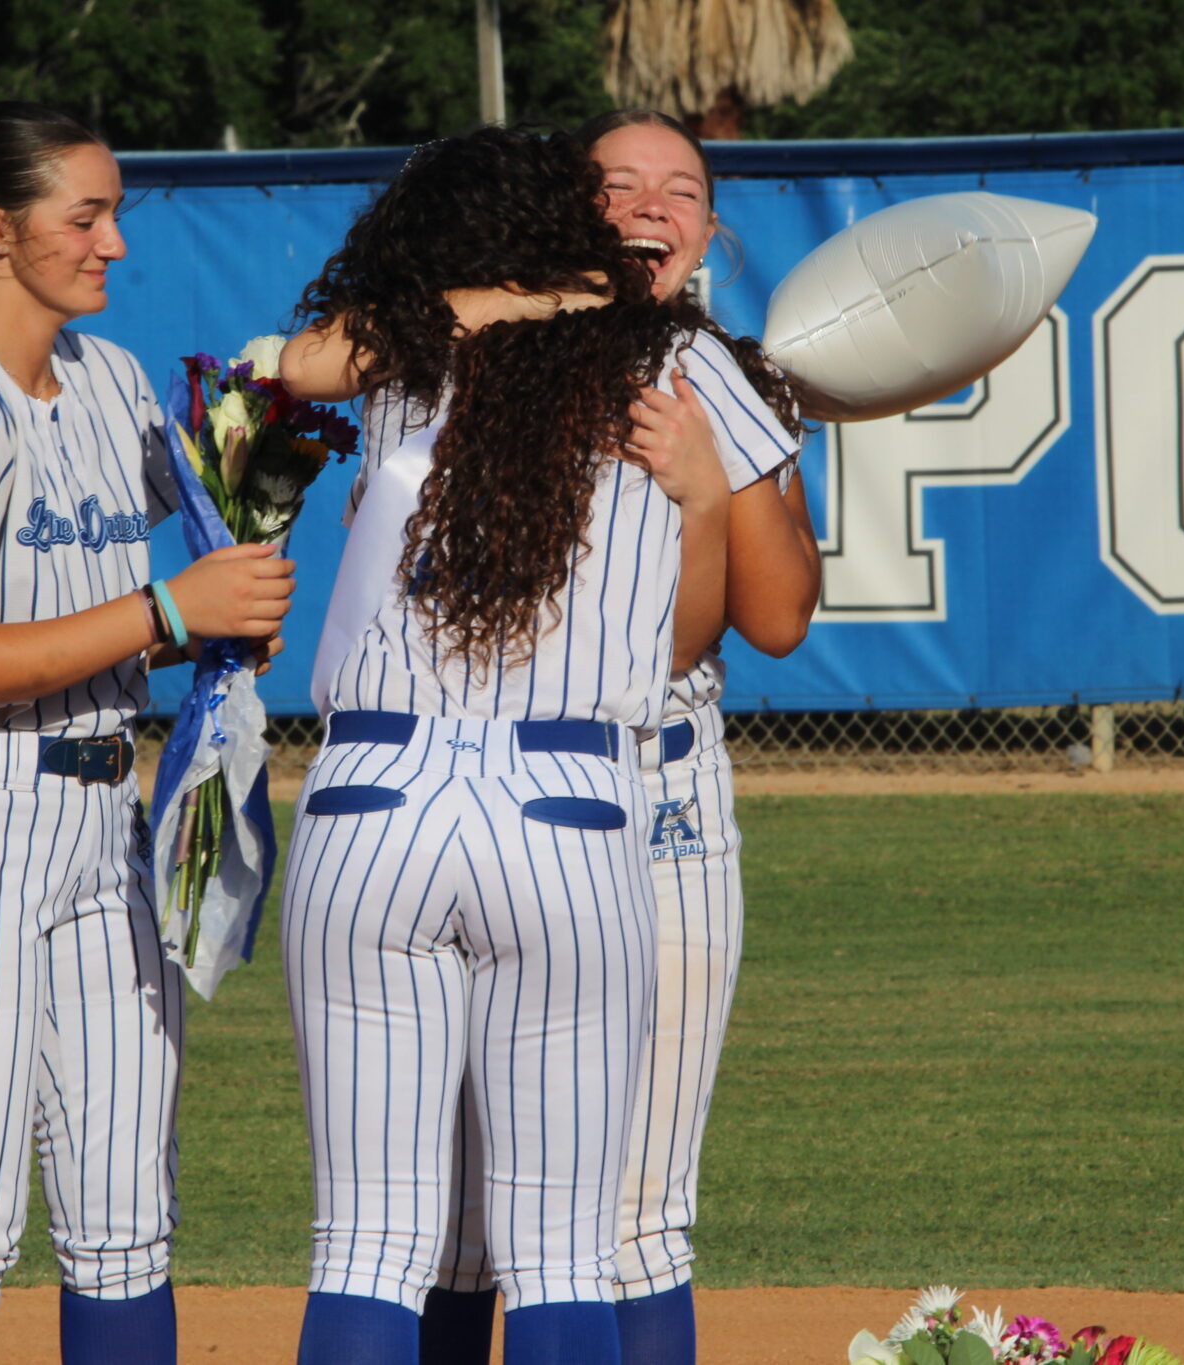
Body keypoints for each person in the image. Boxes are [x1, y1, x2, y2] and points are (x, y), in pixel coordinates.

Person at [0, 101, 295, 1365]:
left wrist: (229, 595)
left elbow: (228, 469)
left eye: (116, 211)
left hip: (102, 821)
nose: (115, 243)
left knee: (126, 1225)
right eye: (84, 216)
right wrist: (166, 610)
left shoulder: (111, 381)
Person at [277, 125, 726, 1365]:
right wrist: (699, 498)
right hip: (567, 806)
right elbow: (686, 644)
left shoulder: (408, 345)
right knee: (561, 1254)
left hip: (372, 794)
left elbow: (294, 360)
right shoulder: (667, 356)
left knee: (367, 1242)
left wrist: (499, 289)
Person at [414, 110, 822, 1365]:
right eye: (619, 184)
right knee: (463, 1215)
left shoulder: (731, 382)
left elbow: (778, 618)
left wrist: (713, 475)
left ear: (710, 229)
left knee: (638, 1206)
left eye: (681, 189)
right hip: (497, 787)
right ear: (567, 210)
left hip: (660, 802)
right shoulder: (485, 350)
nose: (652, 205)